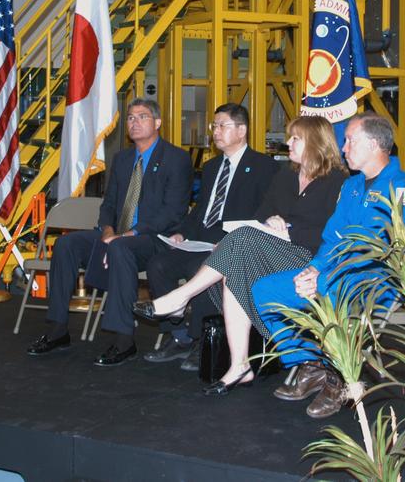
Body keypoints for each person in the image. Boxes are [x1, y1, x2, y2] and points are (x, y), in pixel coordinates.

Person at [134, 115, 346, 396]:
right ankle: (239, 365)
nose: (288, 143)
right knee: (234, 264)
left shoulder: (338, 181)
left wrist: (289, 230)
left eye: (295, 138)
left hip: (308, 258)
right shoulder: (285, 175)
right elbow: (260, 216)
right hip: (271, 251)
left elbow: (332, 233)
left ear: (316, 142)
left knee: (238, 243)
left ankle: (180, 297)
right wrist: (271, 220)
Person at [254, 112, 405, 419]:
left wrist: (325, 276)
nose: (343, 148)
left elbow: (380, 251)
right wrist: (314, 268)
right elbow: (331, 237)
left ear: (373, 144)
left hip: (374, 281)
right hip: (334, 273)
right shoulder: (352, 187)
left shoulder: (402, 190)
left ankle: (340, 375)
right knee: (265, 290)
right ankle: (312, 363)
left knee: (329, 292)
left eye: (349, 141)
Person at [27, 98, 193, 366]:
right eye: (130, 118)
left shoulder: (176, 158)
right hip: (119, 237)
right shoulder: (123, 159)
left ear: (157, 123)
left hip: (155, 240)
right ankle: (57, 330)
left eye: (142, 117)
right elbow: (109, 204)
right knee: (67, 244)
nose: (134, 122)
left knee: (119, 247)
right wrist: (106, 230)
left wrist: (127, 235)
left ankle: (124, 341)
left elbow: (172, 212)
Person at [140, 103, 279, 372]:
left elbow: (264, 212)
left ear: (242, 130)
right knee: (158, 264)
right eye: (214, 126)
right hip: (200, 238)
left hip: (231, 240)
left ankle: (200, 339)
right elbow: (201, 210)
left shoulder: (263, 167)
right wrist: (182, 233)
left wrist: (233, 238)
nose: (215, 131)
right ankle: (178, 335)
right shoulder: (212, 166)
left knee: (200, 268)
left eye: (222, 126)